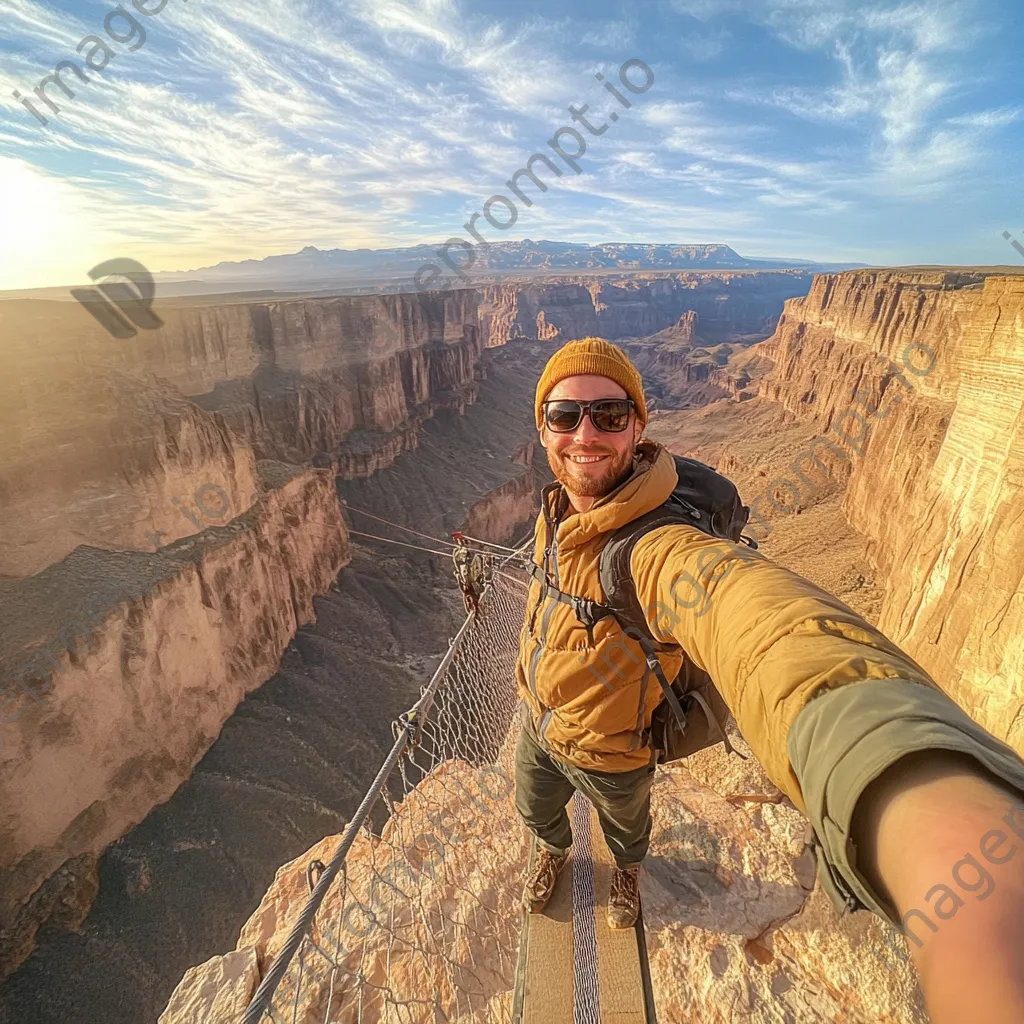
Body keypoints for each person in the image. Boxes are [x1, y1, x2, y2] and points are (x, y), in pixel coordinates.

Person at [514, 337, 1024, 1023]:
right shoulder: (555, 513)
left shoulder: (660, 549)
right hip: (537, 725)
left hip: (615, 752)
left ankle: (628, 873)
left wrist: (886, 761)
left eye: (608, 414)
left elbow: (758, 620)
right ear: (541, 427)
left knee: (626, 830)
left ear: (639, 427)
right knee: (536, 809)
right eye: (563, 414)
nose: (585, 434)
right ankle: (552, 851)